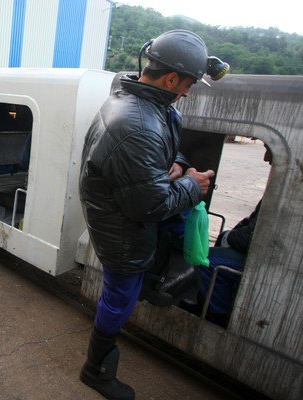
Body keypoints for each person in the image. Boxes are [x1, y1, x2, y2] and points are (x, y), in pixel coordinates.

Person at [78, 29, 228, 400]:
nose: (188, 92)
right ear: (172, 78)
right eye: (189, 83)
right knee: (118, 298)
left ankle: (141, 292)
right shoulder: (136, 122)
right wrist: (193, 186)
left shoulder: (147, 106)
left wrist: (176, 167)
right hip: (123, 232)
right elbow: (151, 205)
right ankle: (95, 370)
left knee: (127, 290)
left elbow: (161, 152)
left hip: (127, 221)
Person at [194, 144, 272, 327]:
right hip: (255, 249)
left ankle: (218, 315)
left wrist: (228, 237)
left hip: (262, 257)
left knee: (204, 260)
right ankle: (203, 302)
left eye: (268, 150)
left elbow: (251, 237)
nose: (266, 157)